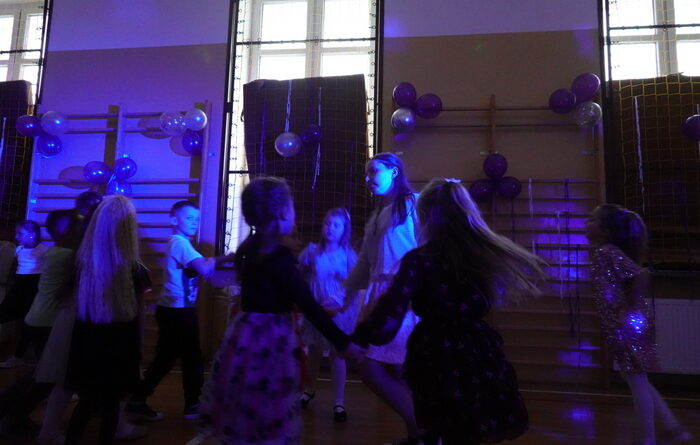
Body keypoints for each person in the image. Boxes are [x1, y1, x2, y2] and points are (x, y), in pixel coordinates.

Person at [354, 178, 546, 445]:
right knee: (468, 426)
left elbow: (389, 315)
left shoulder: (420, 260)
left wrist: (360, 337)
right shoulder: (478, 257)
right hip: (478, 351)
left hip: (435, 354)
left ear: (425, 217)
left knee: (440, 423)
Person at [192, 176, 364, 445]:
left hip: (243, 335)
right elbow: (308, 305)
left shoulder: (250, 248)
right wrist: (344, 344)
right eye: (291, 204)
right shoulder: (280, 259)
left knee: (247, 400)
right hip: (270, 341)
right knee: (269, 405)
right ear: (282, 214)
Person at [586, 204, 692, 445]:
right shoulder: (605, 252)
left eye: (592, 219)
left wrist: (627, 309)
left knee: (636, 381)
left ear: (605, 230)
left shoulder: (606, 252)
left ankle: (647, 439)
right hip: (623, 324)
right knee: (635, 378)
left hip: (628, 325)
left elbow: (641, 275)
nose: (586, 223)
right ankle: (672, 429)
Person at [127, 200, 232, 421]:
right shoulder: (180, 243)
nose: (194, 222)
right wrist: (224, 258)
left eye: (196, 219)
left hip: (173, 310)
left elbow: (201, 265)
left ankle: (138, 400)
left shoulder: (181, 243)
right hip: (179, 311)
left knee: (166, 359)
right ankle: (192, 405)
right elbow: (203, 267)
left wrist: (216, 260)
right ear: (174, 220)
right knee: (191, 358)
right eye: (189, 218)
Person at [61, 195, 151, 445]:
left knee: (87, 401)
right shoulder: (134, 268)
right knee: (112, 402)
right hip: (120, 338)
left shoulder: (84, 263)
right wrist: (140, 346)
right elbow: (140, 313)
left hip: (88, 337)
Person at [344, 152, 421, 443]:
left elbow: (428, 247)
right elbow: (365, 263)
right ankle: (419, 434)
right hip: (379, 298)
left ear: (393, 171)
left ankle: (423, 430)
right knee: (395, 372)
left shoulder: (413, 204)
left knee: (375, 366)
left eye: (374, 171)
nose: (368, 178)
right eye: (366, 173)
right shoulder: (377, 215)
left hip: (403, 298)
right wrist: (342, 296)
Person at [0, 210, 84, 441]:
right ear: (64, 231)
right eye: (77, 226)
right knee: (47, 377)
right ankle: (13, 417)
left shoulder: (56, 252)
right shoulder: (65, 255)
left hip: (40, 318)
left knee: (41, 374)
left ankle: (7, 408)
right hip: (47, 321)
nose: (81, 230)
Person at [298, 208, 358, 422]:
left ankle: (339, 402)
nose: (330, 228)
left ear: (344, 230)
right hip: (316, 309)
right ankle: (309, 390)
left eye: (336, 225)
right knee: (313, 351)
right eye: (327, 224)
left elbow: (355, 285)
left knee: (337, 354)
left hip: (337, 312)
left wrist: (342, 303)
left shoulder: (348, 255)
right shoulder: (312, 252)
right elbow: (301, 277)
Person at [0, 220, 48, 368]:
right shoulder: (19, 250)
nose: (16, 236)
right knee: (3, 313)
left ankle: (19, 356)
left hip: (32, 289)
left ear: (32, 235)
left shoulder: (43, 251)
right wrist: (9, 284)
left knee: (28, 324)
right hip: (18, 287)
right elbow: (13, 269)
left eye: (20, 233)